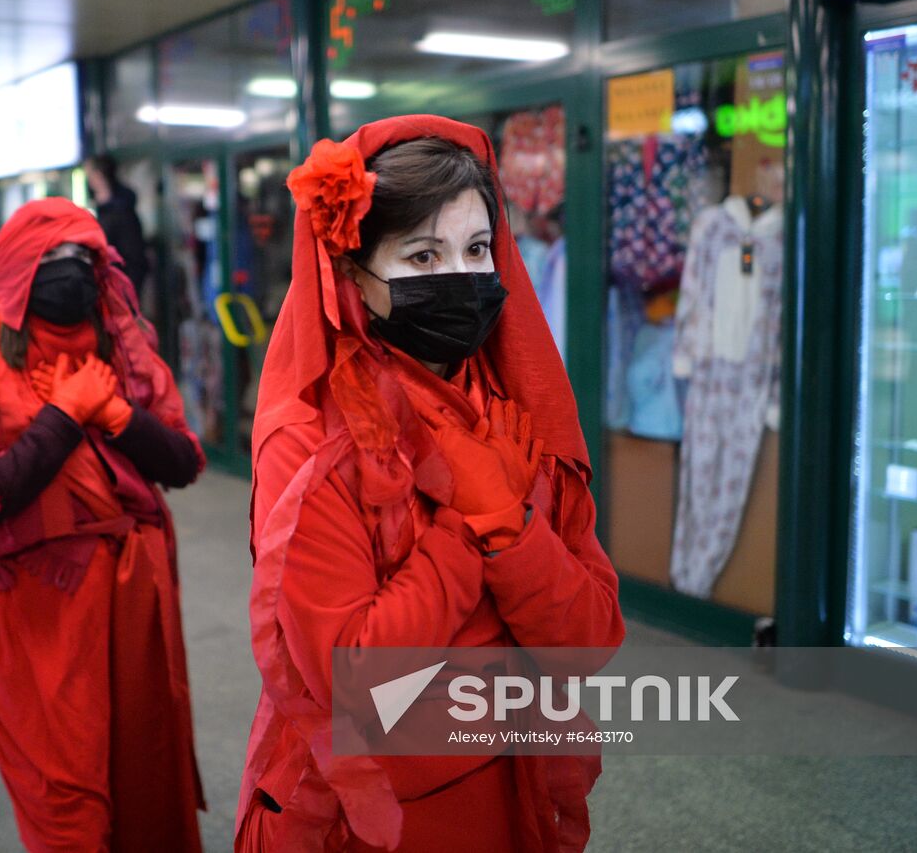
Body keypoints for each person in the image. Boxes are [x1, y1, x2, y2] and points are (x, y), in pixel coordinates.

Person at [235, 116, 625, 851]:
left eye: (478, 248)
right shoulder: (312, 441)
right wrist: (469, 526)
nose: (460, 276)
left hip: (514, 786)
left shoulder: (515, 413)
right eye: (421, 254)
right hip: (377, 816)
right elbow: (358, 680)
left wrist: (513, 534)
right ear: (353, 273)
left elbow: (588, 638)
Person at [0, 197, 205, 851]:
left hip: (130, 604)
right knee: (65, 788)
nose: (68, 273)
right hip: (41, 612)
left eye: (79, 258)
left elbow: (183, 461)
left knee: (141, 765)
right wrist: (62, 415)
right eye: (48, 261)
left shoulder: (124, 353)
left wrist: (117, 416)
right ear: (17, 277)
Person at [85, 154, 149, 295]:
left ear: (99, 175)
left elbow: (134, 257)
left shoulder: (122, 212)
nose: (88, 180)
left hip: (119, 289)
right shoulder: (104, 211)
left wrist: (126, 294)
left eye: (90, 174)